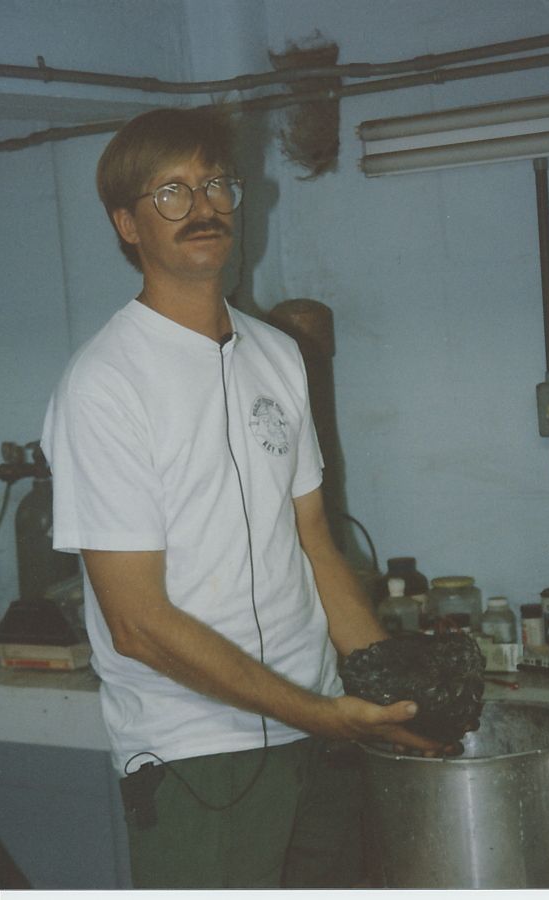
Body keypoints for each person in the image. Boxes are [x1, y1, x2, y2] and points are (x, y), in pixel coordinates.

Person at [41, 106, 448, 890]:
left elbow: (313, 540)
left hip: (320, 738)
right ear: (127, 224)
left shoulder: (277, 354)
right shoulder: (105, 386)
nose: (204, 207)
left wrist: (380, 691)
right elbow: (136, 625)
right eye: (171, 193)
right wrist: (320, 714)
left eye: (216, 184)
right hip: (200, 753)